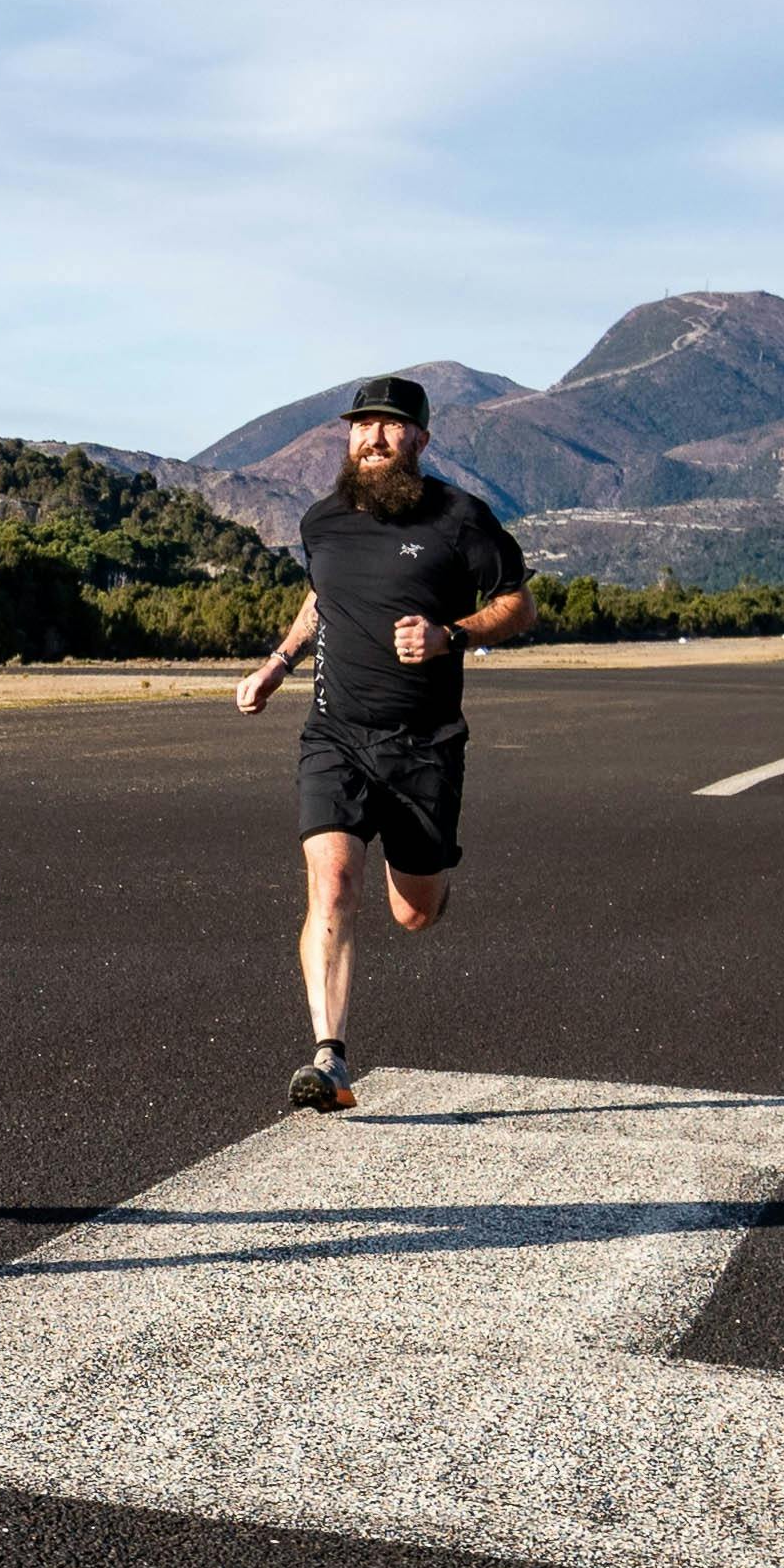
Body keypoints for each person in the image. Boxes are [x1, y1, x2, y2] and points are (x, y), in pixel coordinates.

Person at [233, 372, 530, 1110]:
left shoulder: (461, 518)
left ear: (420, 440)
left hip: (425, 743)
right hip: (335, 732)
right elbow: (320, 599)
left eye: (392, 425)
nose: (373, 436)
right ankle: (329, 1058)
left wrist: (450, 634)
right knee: (332, 881)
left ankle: (433, 875)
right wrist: (277, 664)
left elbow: (518, 604)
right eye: (362, 424)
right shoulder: (323, 521)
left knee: (414, 910)